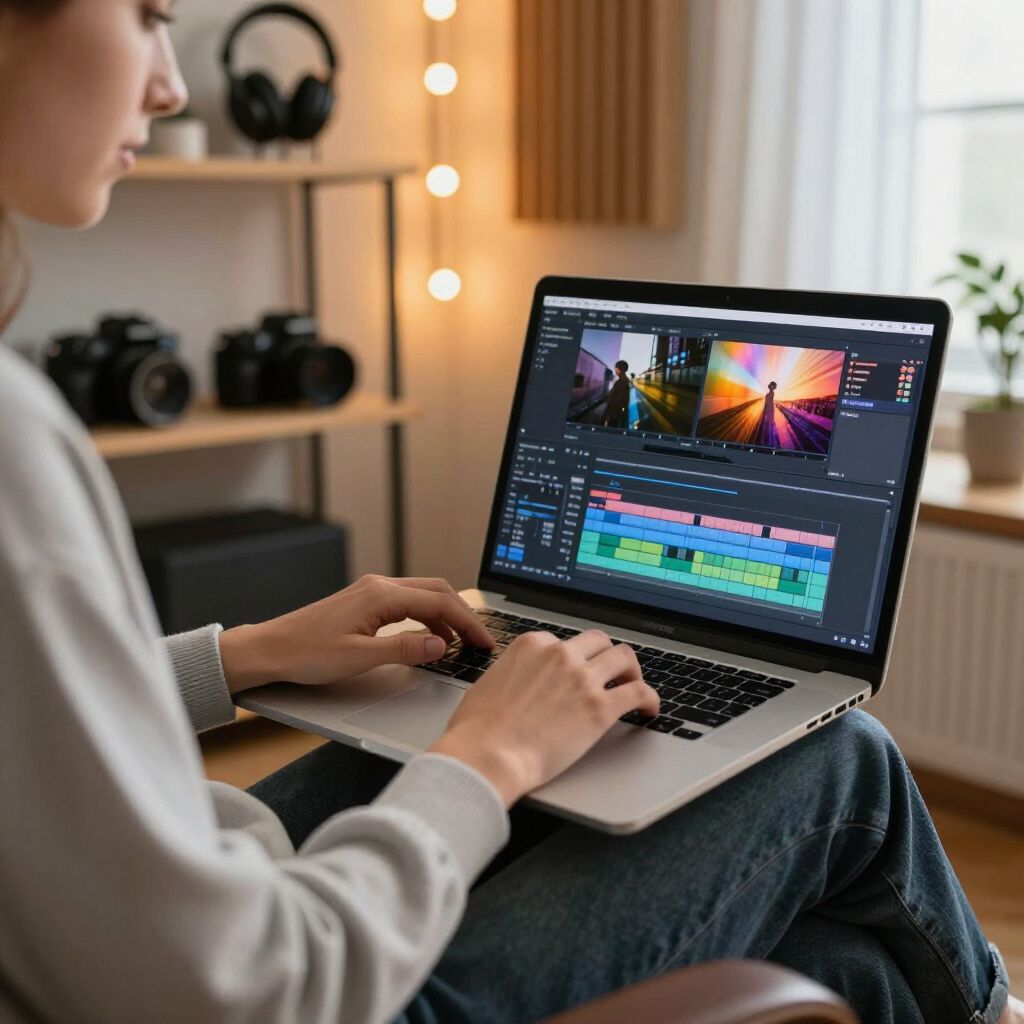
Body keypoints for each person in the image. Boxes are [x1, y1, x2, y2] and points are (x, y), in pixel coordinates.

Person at [0, 3, 1019, 1023]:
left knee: (830, 952)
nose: (171, 83)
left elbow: (33, 720)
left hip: (199, 893)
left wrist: (245, 654)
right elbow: (254, 993)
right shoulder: (14, 436)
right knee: (838, 759)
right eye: (143, 14)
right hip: (308, 979)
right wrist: (489, 757)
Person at [601, 358, 631, 429]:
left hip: (612, 416)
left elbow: (616, 403)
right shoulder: (624, 381)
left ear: (621, 369)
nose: (615, 370)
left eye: (616, 368)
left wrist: (608, 419)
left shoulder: (621, 382)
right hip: (615, 415)